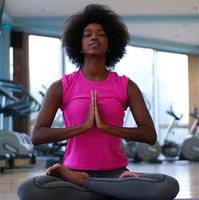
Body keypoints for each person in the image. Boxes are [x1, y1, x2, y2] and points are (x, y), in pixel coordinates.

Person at [17, 4, 180, 200]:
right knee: (29, 189)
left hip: (116, 173)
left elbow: (149, 134)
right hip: (73, 171)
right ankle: (113, 194)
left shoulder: (126, 86)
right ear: (79, 44)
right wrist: (83, 127)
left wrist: (107, 127)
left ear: (110, 43)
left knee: (168, 186)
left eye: (101, 34)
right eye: (87, 34)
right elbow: (37, 136)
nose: (94, 37)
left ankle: (87, 186)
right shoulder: (61, 86)